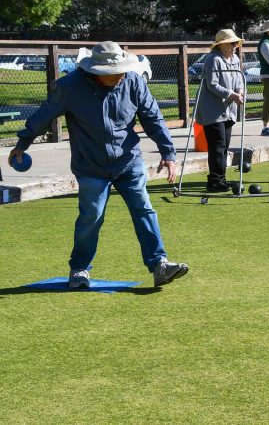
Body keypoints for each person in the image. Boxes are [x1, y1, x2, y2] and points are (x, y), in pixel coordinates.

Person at [8, 41, 188, 288]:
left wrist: (168, 154)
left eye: (120, 70)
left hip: (128, 160)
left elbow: (153, 117)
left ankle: (159, 264)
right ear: (94, 71)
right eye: (111, 73)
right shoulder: (69, 87)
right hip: (90, 165)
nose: (118, 76)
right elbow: (43, 115)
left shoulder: (134, 82)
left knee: (144, 208)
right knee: (91, 216)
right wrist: (22, 143)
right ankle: (79, 270)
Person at [196, 29, 245, 192]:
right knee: (217, 145)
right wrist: (232, 94)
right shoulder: (213, 60)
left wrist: (240, 91)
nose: (234, 46)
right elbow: (212, 84)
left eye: (235, 43)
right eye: (231, 43)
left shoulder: (235, 59)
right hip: (213, 110)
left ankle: (221, 178)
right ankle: (215, 180)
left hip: (229, 110)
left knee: (224, 145)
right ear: (221, 44)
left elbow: (239, 79)